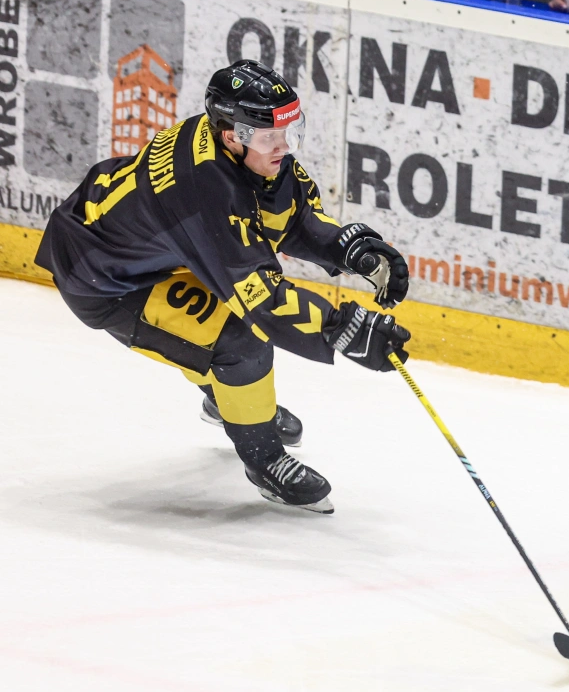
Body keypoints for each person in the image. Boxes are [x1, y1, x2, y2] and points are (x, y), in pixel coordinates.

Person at [35, 60, 413, 515]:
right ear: (233, 135)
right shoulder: (203, 191)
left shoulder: (234, 148)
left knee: (226, 328)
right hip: (104, 280)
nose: (284, 146)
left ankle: (228, 399)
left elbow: (288, 215)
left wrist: (351, 249)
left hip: (152, 251)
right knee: (240, 338)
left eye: (289, 131)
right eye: (271, 136)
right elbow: (263, 301)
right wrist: (342, 328)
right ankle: (264, 460)